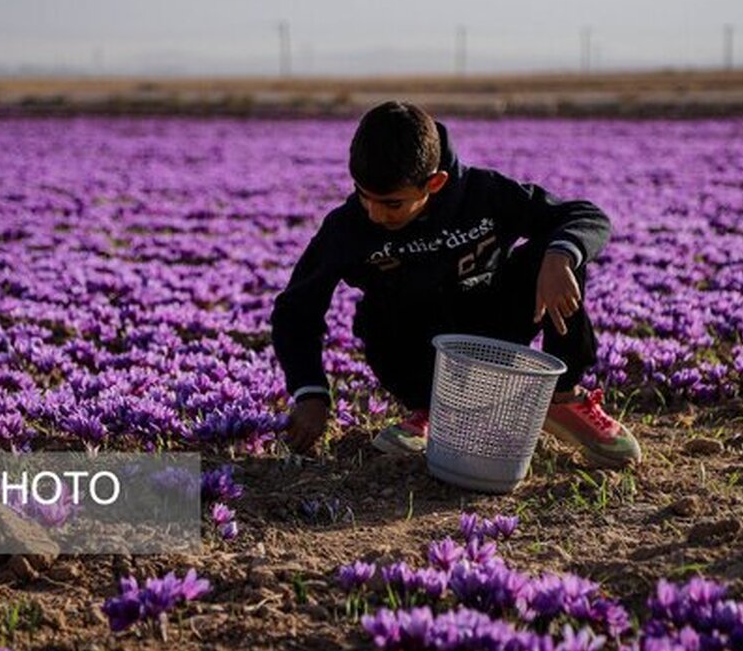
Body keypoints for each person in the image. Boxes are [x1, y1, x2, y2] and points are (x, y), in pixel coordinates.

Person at [270, 101, 640, 467]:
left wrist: (560, 256)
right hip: (414, 355)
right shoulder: (348, 227)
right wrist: (310, 392)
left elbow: (585, 216)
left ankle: (561, 398)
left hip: (494, 336)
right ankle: (432, 411)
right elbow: (296, 310)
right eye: (364, 196)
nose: (375, 213)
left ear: (435, 182)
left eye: (392, 204)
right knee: (378, 308)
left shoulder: (484, 194)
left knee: (561, 252)